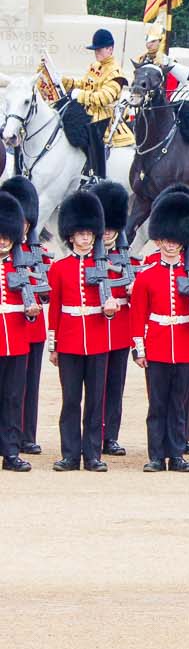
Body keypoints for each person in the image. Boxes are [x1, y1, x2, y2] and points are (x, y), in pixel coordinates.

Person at [46, 191, 118, 471]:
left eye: (89, 233)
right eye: (80, 234)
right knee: (71, 400)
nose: (86, 239)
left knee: (95, 401)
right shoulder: (60, 268)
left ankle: (93, 454)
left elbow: (112, 302)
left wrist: (110, 309)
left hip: (98, 340)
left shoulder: (106, 268)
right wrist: (53, 345)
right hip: (70, 341)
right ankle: (70, 454)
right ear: (71, 236)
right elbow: (55, 310)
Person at [87, 179, 133, 457]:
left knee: (115, 385)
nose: (107, 234)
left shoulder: (128, 258)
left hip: (120, 329)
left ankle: (110, 436)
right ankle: (93, 434)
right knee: (95, 387)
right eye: (103, 229)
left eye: (112, 229)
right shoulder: (88, 258)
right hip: (93, 327)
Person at [3, 176, 45, 455]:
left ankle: (25, 435)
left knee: (25, 388)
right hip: (10, 328)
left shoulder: (37, 252)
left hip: (31, 327)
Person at [0, 189, 36, 471]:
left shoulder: (21, 264)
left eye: (7, 236)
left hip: (17, 342)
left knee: (14, 398)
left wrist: (33, 313)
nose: (3, 240)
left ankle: (11, 451)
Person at [60, 29, 126, 179]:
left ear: (110, 49)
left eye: (99, 49)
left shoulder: (116, 73)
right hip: (86, 111)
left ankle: (97, 175)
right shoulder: (95, 66)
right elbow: (84, 84)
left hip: (104, 116)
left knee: (93, 133)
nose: (96, 53)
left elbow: (104, 98)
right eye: (95, 49)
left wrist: (81, 95)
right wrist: (65, 81)